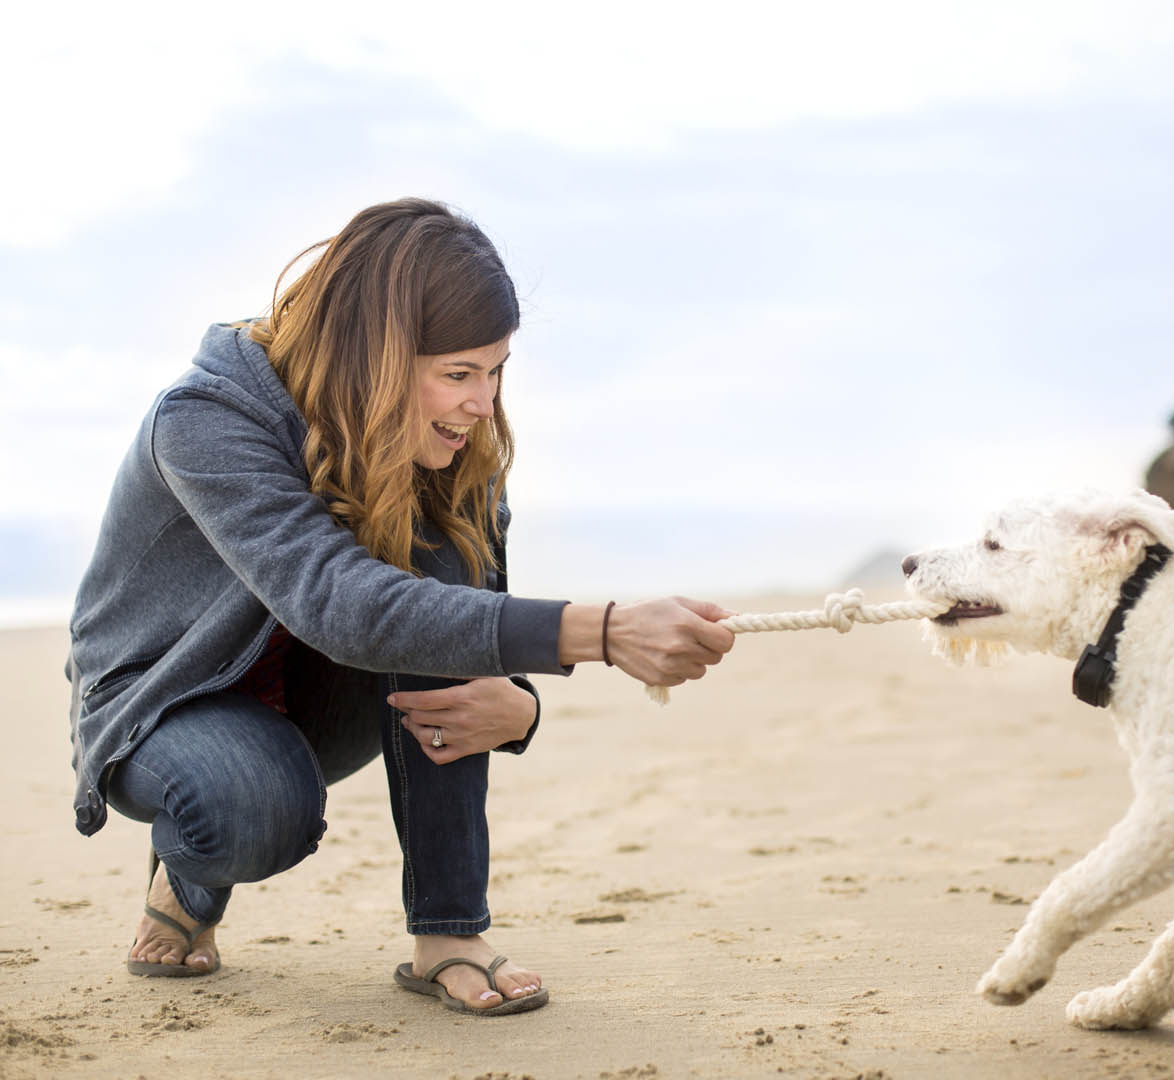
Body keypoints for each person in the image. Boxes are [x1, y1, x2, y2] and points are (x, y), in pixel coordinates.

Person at [65, 197, 735, 1016]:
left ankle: (449, 936)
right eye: (458, 374)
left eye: (496, 371)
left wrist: (517, 708)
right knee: (249, 808)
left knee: (433, 565)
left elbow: (467, 624)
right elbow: (339, 601)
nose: (483, 403)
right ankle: (191, 877)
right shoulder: (207, 418)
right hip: (163, 699)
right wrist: (599, 631)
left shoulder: (454, 440)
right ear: (370, 357)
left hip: (322, 692)